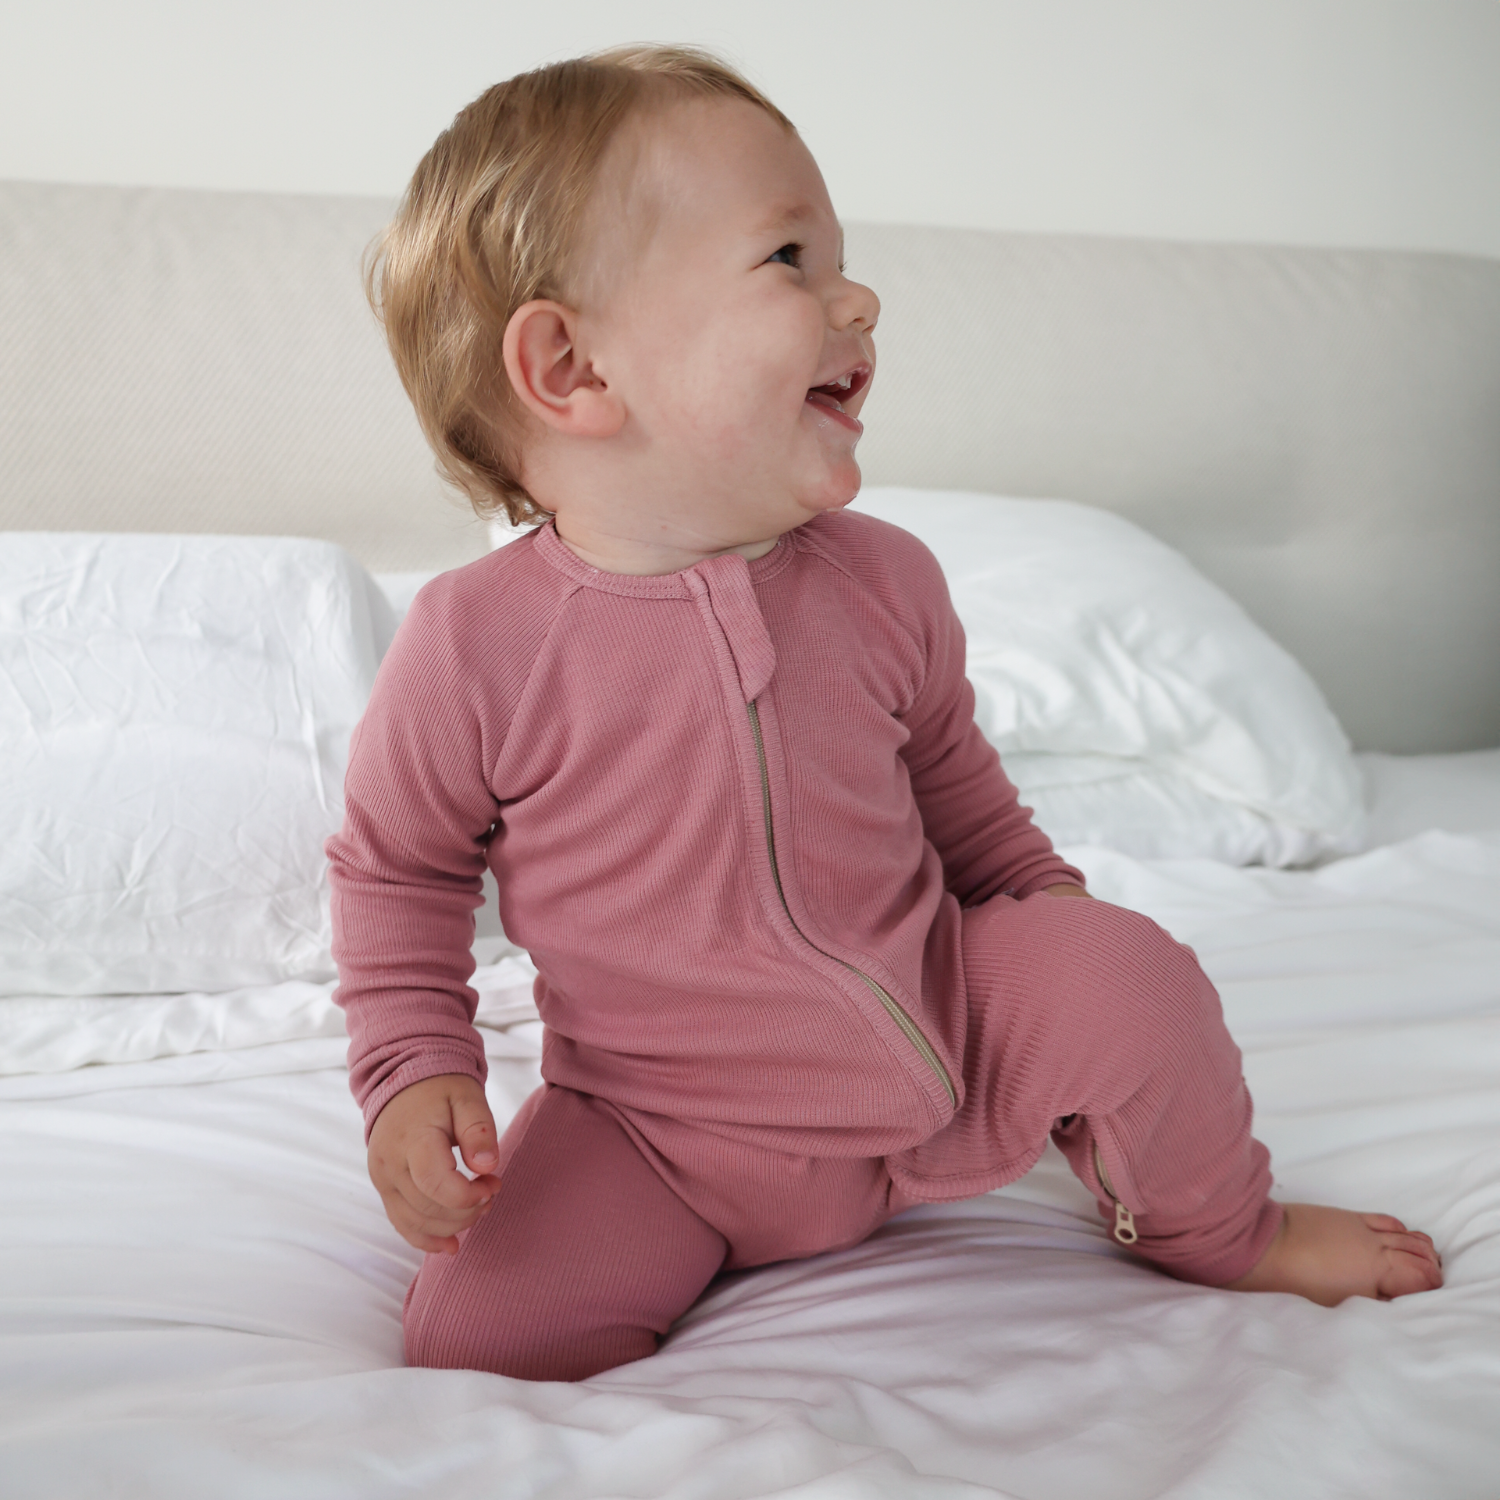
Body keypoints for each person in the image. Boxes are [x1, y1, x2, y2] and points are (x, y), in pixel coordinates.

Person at [327, 45, 1442, 1382]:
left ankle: (1216, 1227)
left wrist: (1063, 942)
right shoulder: (476, 643)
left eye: (840, 260)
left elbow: (960, 795)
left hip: (939, 1060)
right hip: (656, 1133)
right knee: (473, 1340)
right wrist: (414, 1069)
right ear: (572, 365)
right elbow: (397, 871)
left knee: (1129, 974)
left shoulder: (883, 583)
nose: (858, 298)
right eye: (789, 259)